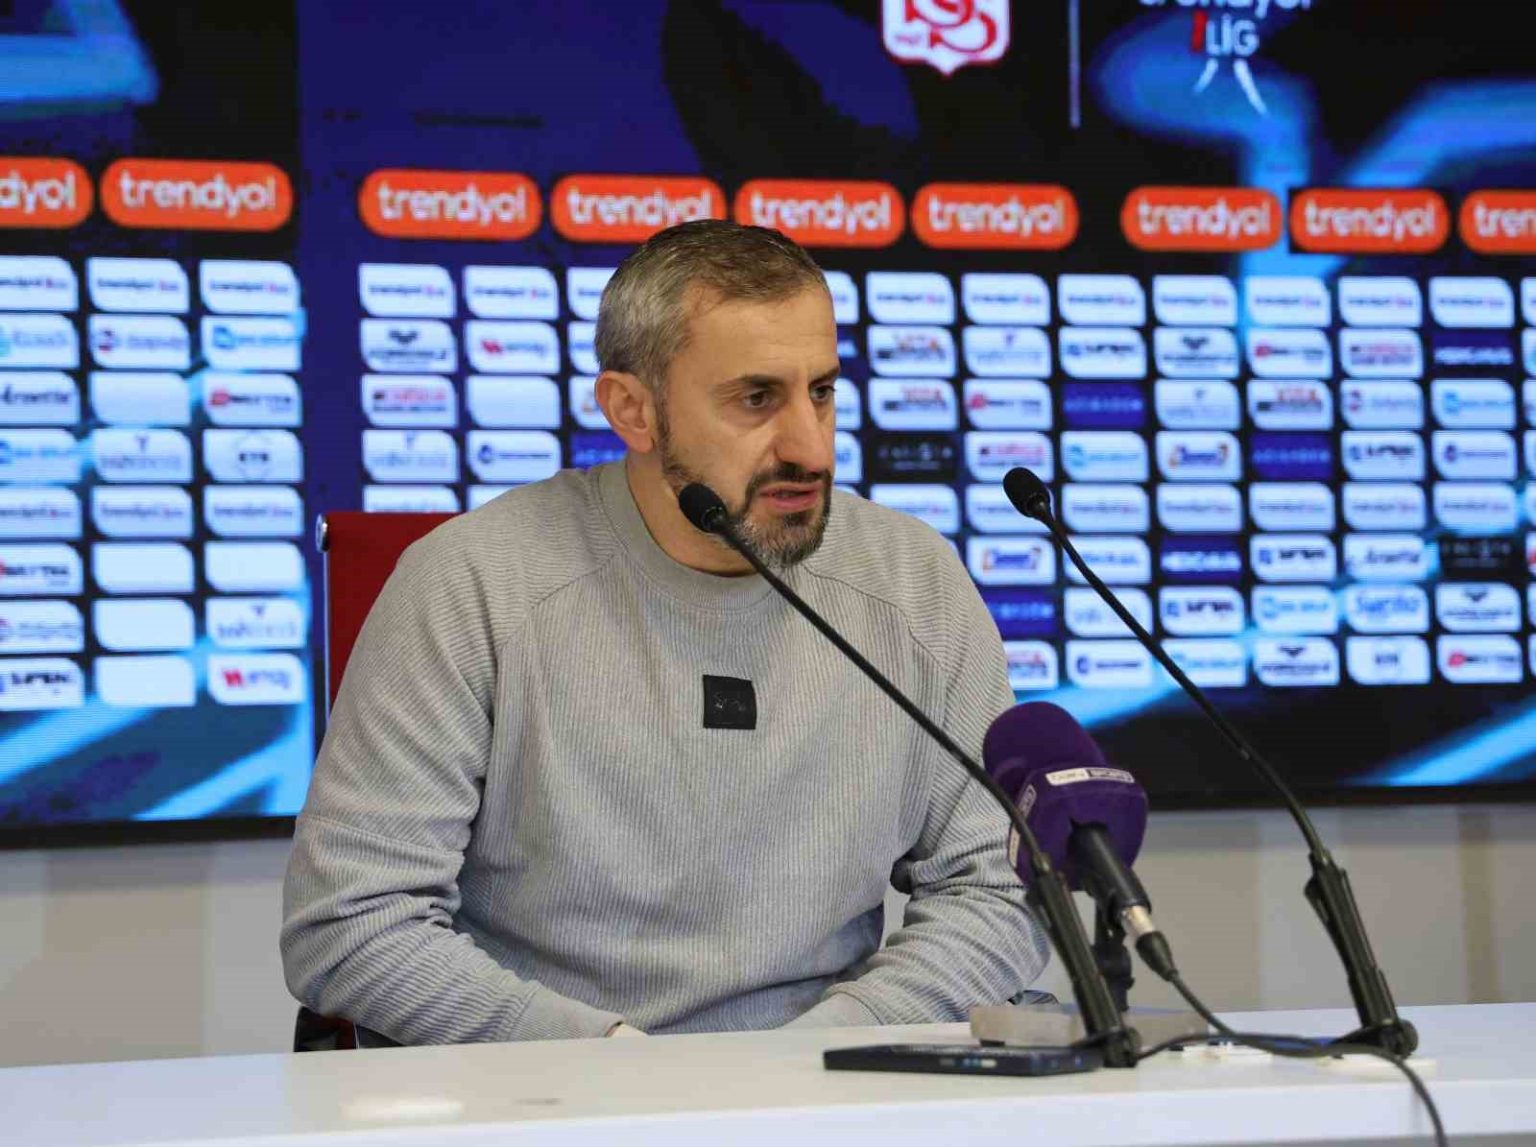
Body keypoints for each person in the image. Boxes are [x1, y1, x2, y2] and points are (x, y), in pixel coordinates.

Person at [281, 219, 1046, 1044]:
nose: (810, 447)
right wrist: (607, 1064)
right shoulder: (472, 583)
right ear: (633, 410)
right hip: (551, 1087)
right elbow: (352, 920)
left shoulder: (912, 582)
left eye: (821, 392)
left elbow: (1000, 889)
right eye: (757, 398)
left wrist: (827, 1047)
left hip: (830, 1077)